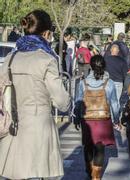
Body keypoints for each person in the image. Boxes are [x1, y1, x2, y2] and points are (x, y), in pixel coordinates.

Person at [0, 10, 70, 179]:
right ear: (46, 33)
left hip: (12, 129)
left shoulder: (10, 58)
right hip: (39, 130)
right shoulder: (46, 60)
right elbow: (62, 102)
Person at [74, 55, 120, 179]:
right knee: (100, 147)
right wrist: (116, 119)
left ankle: (89, 172)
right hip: (103, 119)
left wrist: (76, 118)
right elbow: (115, 104)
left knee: (88, 145)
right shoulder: (109, 83)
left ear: (91, 66)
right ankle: (96, 176)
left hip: (87, 118)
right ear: (104, 66)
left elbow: (78, 102)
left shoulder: (83, 83)